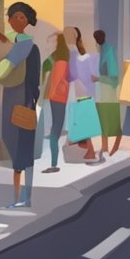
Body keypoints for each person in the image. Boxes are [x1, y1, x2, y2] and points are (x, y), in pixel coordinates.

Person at [1, 3, 42, 209]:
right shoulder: (10, 45)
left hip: (24, 99)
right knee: (11, 141)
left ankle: (24, 196)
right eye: (13, 17)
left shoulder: (30, 48)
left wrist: (31, 101)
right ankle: (17, 196)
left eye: (20, 17)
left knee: (23, 147)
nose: (15, 21)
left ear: (26, 20)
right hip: (9, 98)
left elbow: (34, 78)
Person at [67, 27, 102, 163]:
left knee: (84, 124)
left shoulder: (73, 56)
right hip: (85, 93)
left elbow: (71, 76)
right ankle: (89, 150)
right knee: (83, 123)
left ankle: (91, 151)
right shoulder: (89, 58)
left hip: (79, 94)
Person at [41, 33, 72, 173]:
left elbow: (44, 71)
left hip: (54, 97)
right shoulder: (66, 58)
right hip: (61, 97)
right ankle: (54, 163)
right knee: (56, 129)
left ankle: (54, 164)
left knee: (55, 131)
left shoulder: (54, 59)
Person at [93, 30, 122, 157]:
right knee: (103, 120)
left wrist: (98, 78)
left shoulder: (108, 51)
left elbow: (114, 77)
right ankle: (105, 148)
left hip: (109, 93)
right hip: (102, 93)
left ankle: (114, 147)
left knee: (111, 121)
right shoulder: (103, 51)